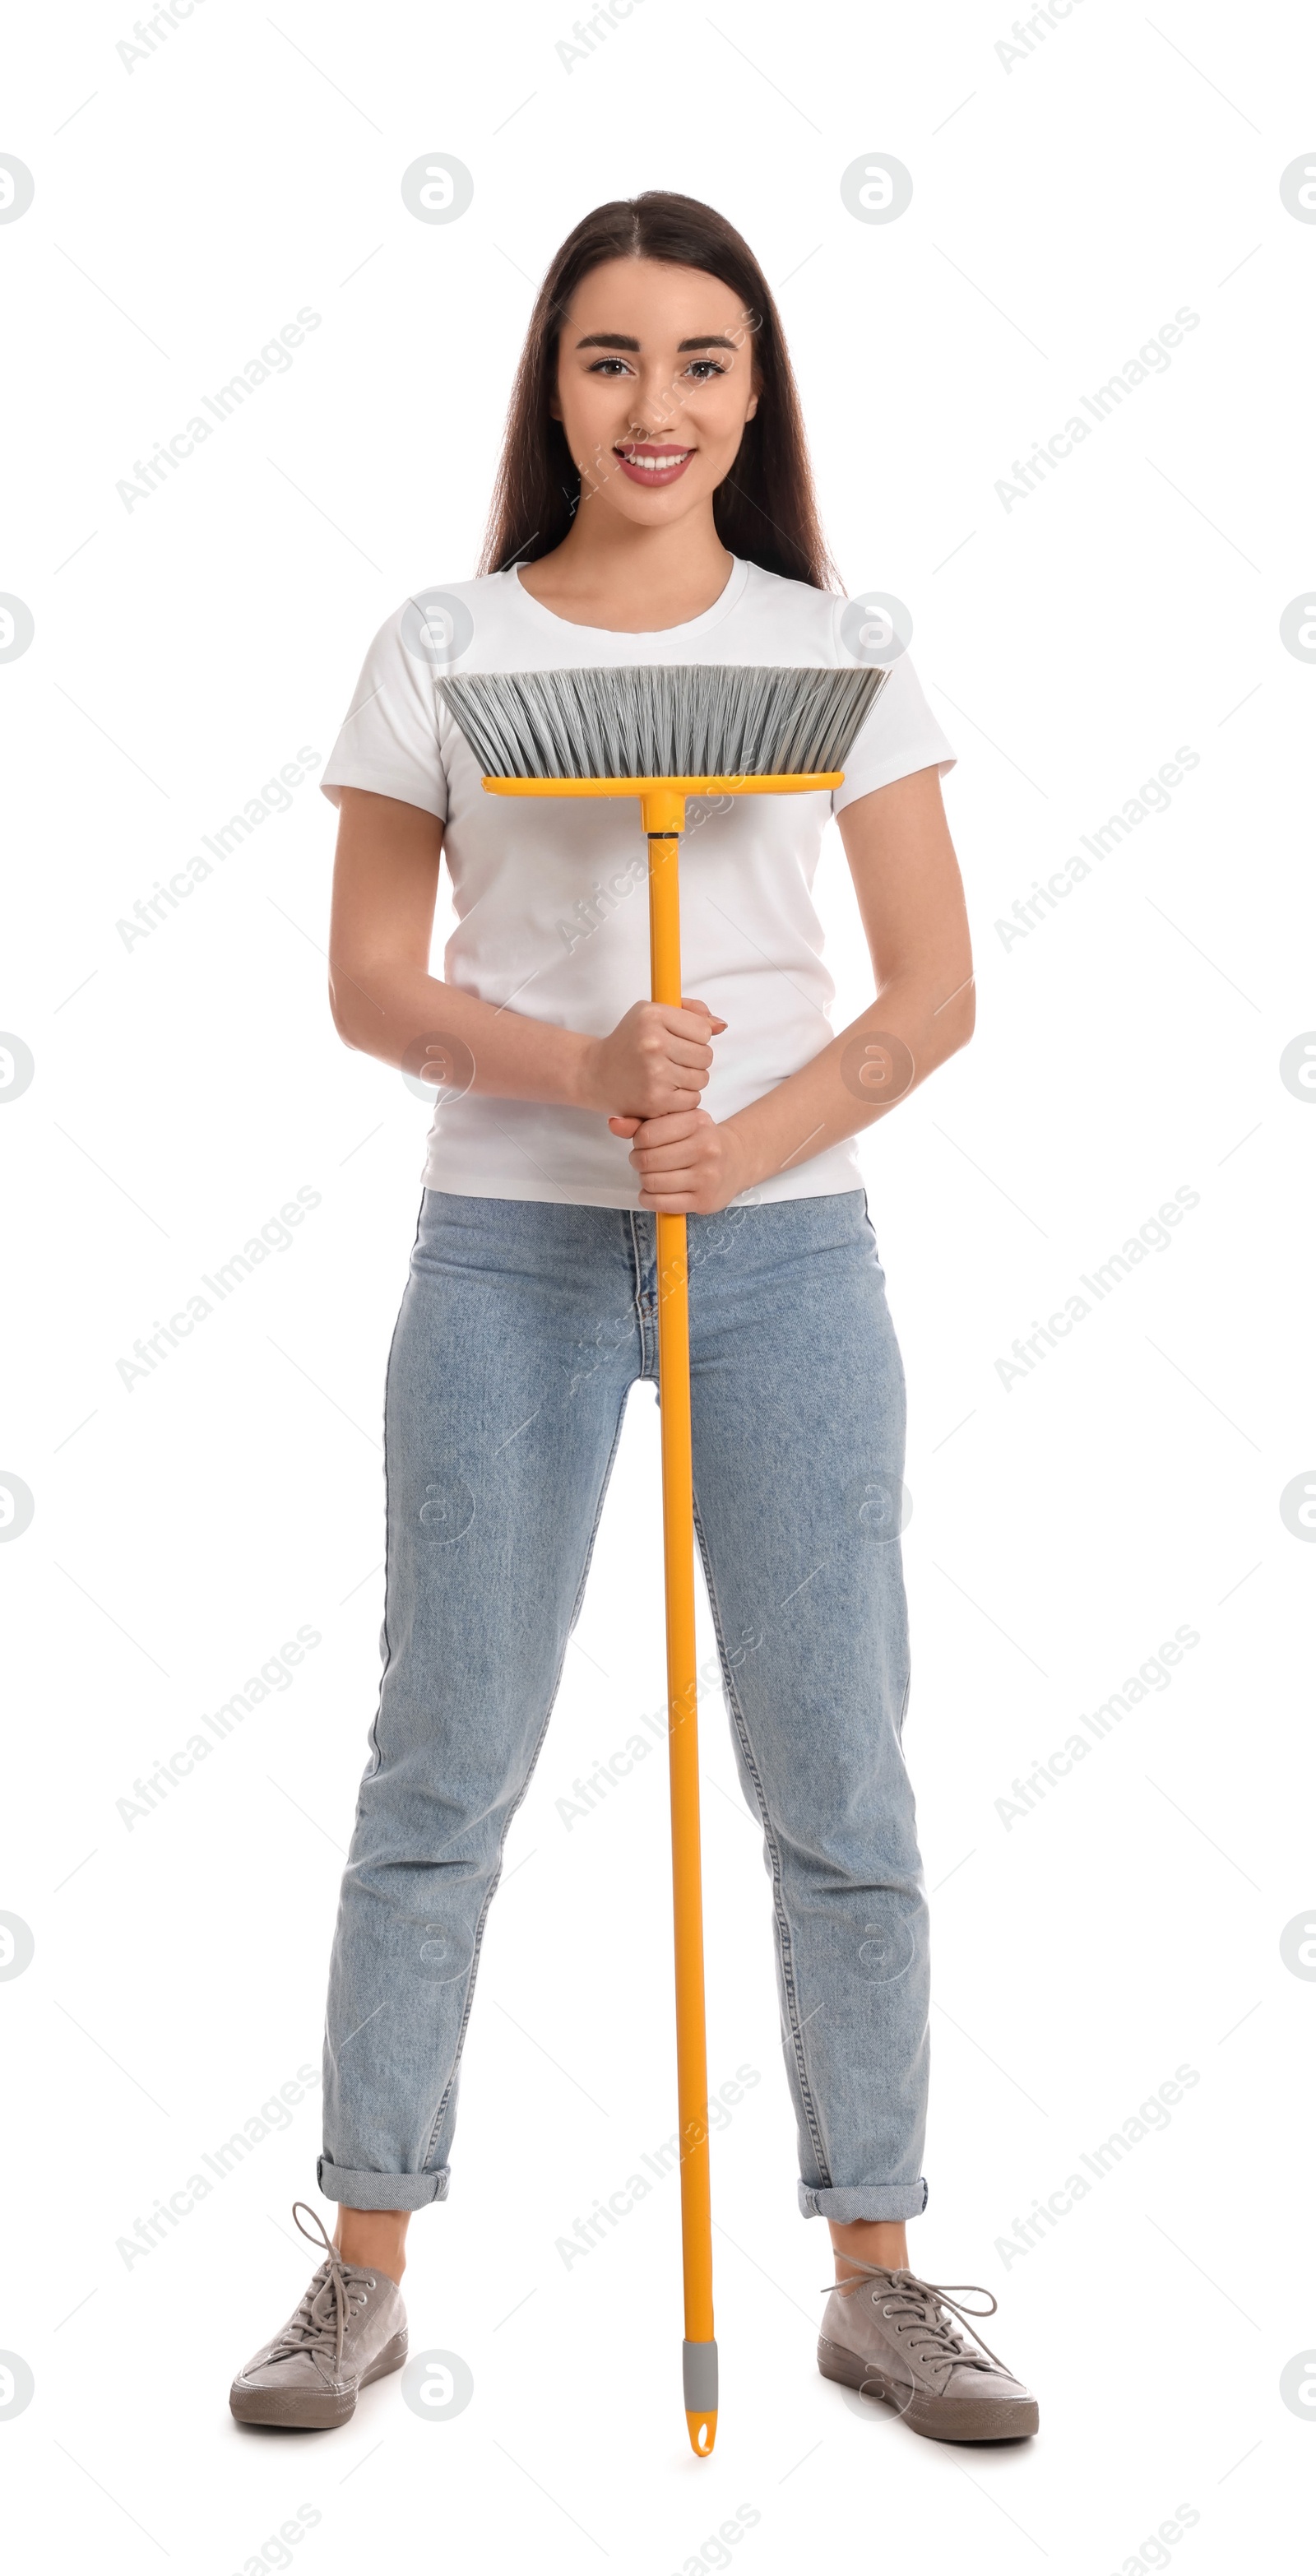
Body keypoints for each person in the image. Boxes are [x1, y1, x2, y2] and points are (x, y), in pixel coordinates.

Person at [229, 189, 1038, 2443]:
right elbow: (370, 981)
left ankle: (878, 2268)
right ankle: (362, 2262)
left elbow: (940, 989)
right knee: (443, 1756)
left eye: (699, 359)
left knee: (837, 1759)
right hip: (506, 1246)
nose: (654, 404)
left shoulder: (840, 647)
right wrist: (579, 1072)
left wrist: (742, 1140)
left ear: (754, 388)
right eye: (609, 358)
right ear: (551, 384)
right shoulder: (444, 644)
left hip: (785, 1254)